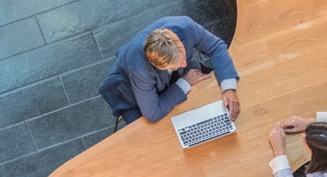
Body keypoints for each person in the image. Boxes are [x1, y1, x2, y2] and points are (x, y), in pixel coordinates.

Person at [99, 16, 240, 124]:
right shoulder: (140, 70)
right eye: (177, 63)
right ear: (159, 66)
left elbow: (216, 47)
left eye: (183, 54)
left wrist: (228, 88)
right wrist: (185, 82)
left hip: (168, 78)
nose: (184, 63)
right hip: (131, 94)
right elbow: (152, 113)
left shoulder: (186, 27)